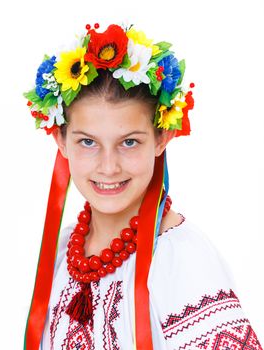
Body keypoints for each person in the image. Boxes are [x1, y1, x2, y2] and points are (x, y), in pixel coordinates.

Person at [23, 23, 263, 350]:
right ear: (60, 140)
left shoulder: (180, 258)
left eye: (130, 142)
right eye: (89, 142)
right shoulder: (63, 251)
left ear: (162, 137)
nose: (109, 167)